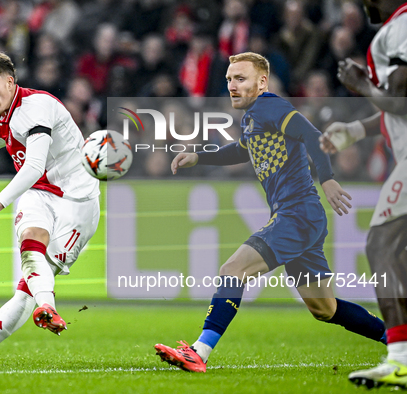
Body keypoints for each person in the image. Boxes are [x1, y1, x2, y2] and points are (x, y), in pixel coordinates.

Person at [154, 52, 387, 373]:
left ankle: (200, 351)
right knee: (325, 308)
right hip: (304, 218)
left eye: (240, 79)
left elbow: (313, 136)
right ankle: (398, 340)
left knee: (233, 270)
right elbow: (242, 149)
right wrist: (199, 157)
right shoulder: (253, 118)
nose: (232, 86)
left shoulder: (270, 105)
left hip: (297, 214)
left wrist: (328, 179)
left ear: (261, 82)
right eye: (228, 80)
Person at [0, 51, 100, 364]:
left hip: (77, 204)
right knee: (30, 240)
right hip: (40, 191)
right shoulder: (7, 107)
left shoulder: (36, 107)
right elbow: (6, 131)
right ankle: (43, 310)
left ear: (11, 81)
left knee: (24, 292)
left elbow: (33, 165)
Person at [319, 0, 407, 388]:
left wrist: (361, 85)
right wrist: (355, 130)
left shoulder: (401, 26)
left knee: (382, 245)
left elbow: (402, 100)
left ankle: (401, 357)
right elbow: (395, 111)